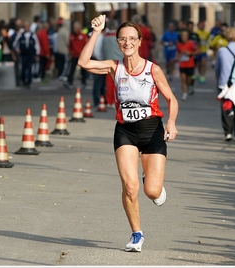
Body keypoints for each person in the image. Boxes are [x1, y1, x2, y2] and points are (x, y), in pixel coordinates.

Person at [78, 14, 178, 252]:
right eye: (122, 39)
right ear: (118, 42)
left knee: (151, 190)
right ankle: (136, 234)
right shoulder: (114, 67)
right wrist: (96, 32)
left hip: (152, 130)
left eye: (132, 38)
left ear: (140, 41)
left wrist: (171, 122)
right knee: (129, 187)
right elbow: (83, 62)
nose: (127, 43)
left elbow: (171, 99)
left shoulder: (153, 70)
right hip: (125, 131)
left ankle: (151, 181)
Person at [214, 27, 235, 141]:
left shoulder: (221, 51)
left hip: (224, 83)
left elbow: (217, 68)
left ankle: (228, 132)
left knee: (225, 107)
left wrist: (218, 78)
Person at [102, 19, 124, 108]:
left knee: (109, 84)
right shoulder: (119, 37)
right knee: (119, 84)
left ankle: (109, 101)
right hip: (119, 62)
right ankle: (116, 102)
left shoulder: (105, 37)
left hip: (108, 62)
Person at [13, 21, 40, 89]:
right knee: (23, 68)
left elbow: (37, 45)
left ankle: (29, 81)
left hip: (30, 54)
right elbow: (15, 44)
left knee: (30, 67)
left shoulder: (33, 35)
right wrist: (17, 49)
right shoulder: (20, 35)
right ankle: (24, 80)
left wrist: (37, 54)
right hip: (23, 54)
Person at [64, 21, 89, 90]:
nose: (74, 29)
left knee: (83, 70)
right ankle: (69, 81)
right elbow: (70, 46)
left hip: (81, 55)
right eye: (74, 28)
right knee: (72, 69)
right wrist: (70, 53)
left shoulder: (83, 36)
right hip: (74, 55)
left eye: (76, 28)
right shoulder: (72, 36)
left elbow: (86, 45)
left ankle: (84, 82)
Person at [176, 29, 199, 101]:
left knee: (189, 80)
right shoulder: (179, 44)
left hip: (190, 65)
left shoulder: (191, 43)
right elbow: (177, 53)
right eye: (183, 36)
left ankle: (190, 85)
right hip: (182, 65)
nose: (184, 37)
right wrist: (178, 56)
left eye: (185, 36)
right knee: (183, 80)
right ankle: (184, 94)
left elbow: (198, 51)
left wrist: (190, 53)